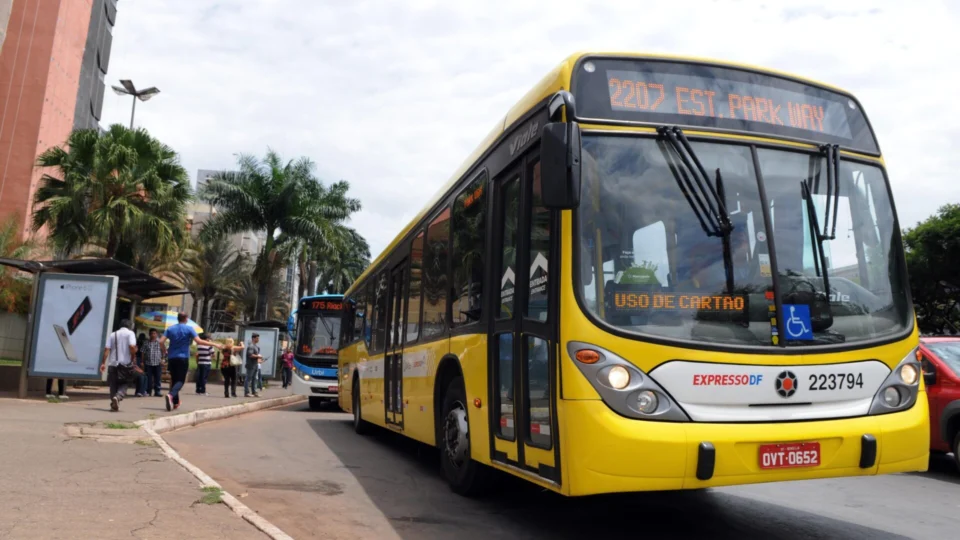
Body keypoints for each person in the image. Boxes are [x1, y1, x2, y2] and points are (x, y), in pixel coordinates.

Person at [162, 313, 220, 412]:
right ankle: (171, 395)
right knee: (180, 380)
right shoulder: (189, 329)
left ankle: (175, 402)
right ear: (186, 319)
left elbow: (161, 341)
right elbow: (199, 341)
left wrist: (164, 350)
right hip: (183, 357)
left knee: (175, 379)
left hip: (172, 357)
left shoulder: (170, 329)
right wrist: (214, 344)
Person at [100, 319, 138, 412]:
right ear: (130, 326)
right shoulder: (130, 334)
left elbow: (107, 349)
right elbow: (132, 347)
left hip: (112, 363)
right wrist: (133, 355)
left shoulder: (113, 334)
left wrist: (103, 363)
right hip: (125, 364)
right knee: (125, 382)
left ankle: (114, 403)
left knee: (113, 384)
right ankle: (118, 396)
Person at [141, 328, 166, 397]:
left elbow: (164, 351)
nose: (153, 335)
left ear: (157, 334)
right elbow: (143, 352)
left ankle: (157, 391)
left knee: (157, 378)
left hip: (158, 363)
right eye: (151, 333)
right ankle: (148, 391)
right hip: (149, 363)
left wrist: (163, 360)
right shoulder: (146, 343)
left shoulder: (160, 342)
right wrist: (142, 362)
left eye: (154, 333)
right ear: (149, 334)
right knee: (149, 378)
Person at [244, 333, 263, 397]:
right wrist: (258, 356)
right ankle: (246, 393)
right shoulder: (251, 346)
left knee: (255, 379)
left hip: (255, 365)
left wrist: (259, 359)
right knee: (248, 378)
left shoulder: (256, 346)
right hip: (250, 365)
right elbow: (250, 355)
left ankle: (254, 392)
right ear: (253, 338)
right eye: (257, 338)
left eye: (258, 338)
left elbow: (255, 356)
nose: (258, 339)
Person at [134, 332, 148, 397]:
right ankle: (140, 391)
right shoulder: (132, 355)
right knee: (141, 375)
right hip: (130, 370)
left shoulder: (134, 355)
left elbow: (135, 365)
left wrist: (139, 369)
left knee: (144, 375)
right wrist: (139, 370)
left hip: (135, 367)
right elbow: (133, 365)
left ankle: (142, 391)